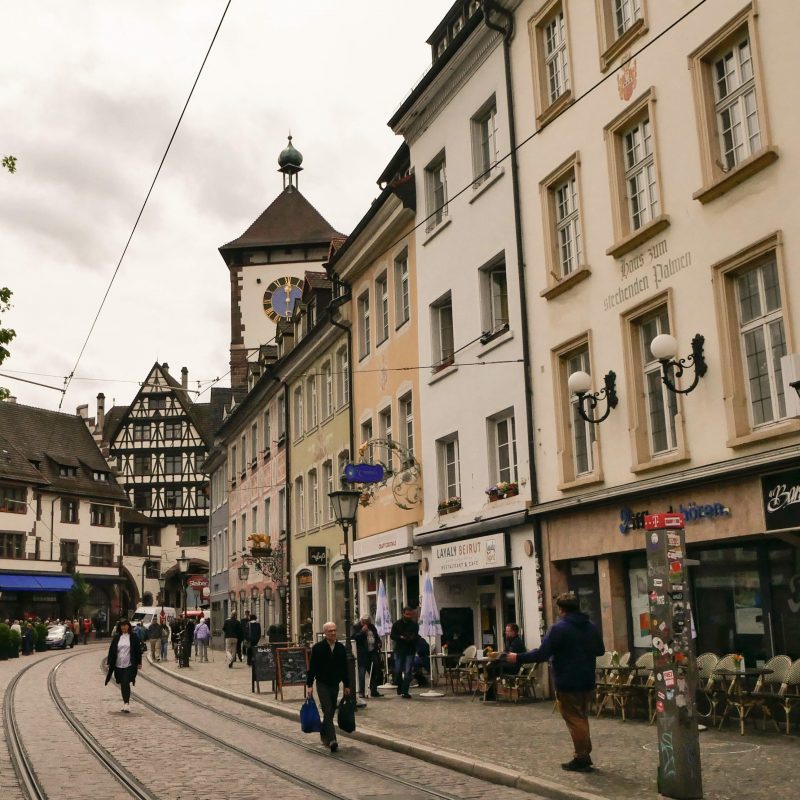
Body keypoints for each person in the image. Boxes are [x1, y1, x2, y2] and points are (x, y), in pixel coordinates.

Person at [505, 592, 605, 772]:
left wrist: (517, 657)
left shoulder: (559, 628)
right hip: (587, 678)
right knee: (581, 717)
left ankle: (582, 757)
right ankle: (583, 754)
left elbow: (543, 653)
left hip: (567, 680)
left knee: (574, 719)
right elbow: (600, 650)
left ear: (562, 609)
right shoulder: (591, 626)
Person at [306, 621, 350, 753]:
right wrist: (309, 685)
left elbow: (344, 668)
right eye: (330, 631)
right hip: (322, 683)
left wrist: (347, 685)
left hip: (334, 684)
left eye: (334, 630)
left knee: (329, 711)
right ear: (325, 633)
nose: (333, 633)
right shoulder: (318, 648)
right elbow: (312, 667)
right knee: (328, 709)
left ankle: (324, 734)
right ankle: (332, 740)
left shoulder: (340, 648)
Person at [104, 618, 142, 713]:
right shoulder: (117, 638)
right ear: (120, 627)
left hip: (129, 664)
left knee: (125, 682)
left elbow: (138, 650)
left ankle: (126, 704)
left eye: (125, 625)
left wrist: (139, 662)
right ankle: (125, 702)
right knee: (122, 683)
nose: (124, 627)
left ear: (128, 626)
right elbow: (112, 650)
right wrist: (109, 662)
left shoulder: (133, 637)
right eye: (122, 626)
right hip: (118, 665)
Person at [351, 614, 382, 698]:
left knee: (374, 671)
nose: (365, 623)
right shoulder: (356, 627)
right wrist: (362, 632)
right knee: (362, 673)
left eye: (367, 622)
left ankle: (374, 690)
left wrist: (379, 642)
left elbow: (376, 636)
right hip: (362, 653)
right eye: (364, 622)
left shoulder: (372, 627)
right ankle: (361, 692)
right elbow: (353, 637)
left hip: (372, 652)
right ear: (361, 621)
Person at [390, 607, 419, 699]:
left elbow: (415, 635)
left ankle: (405, 691)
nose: (409, 616)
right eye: (407, 614)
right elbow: (392, 635)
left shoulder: (414, 625)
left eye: (410, 614)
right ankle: (400, 687)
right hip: (399, 650)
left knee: (407, 671)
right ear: (403, 614)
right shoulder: (397, 624)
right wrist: (400, 637)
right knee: (398, 671)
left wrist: (412, 638)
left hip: (410, 650)